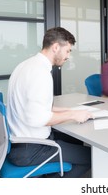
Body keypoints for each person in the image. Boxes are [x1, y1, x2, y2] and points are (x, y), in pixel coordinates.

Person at [6, 27, 92, 178]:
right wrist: (73, 116)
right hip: (32, 149)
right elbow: (39, 118)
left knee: (73, 139)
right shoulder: (41, 73)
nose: (68, 56)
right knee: (91, 157)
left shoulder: (26, 66)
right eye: (68, 51)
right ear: (56, 47)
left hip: (19, 142)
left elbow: (34, 105)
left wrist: (67, 111)